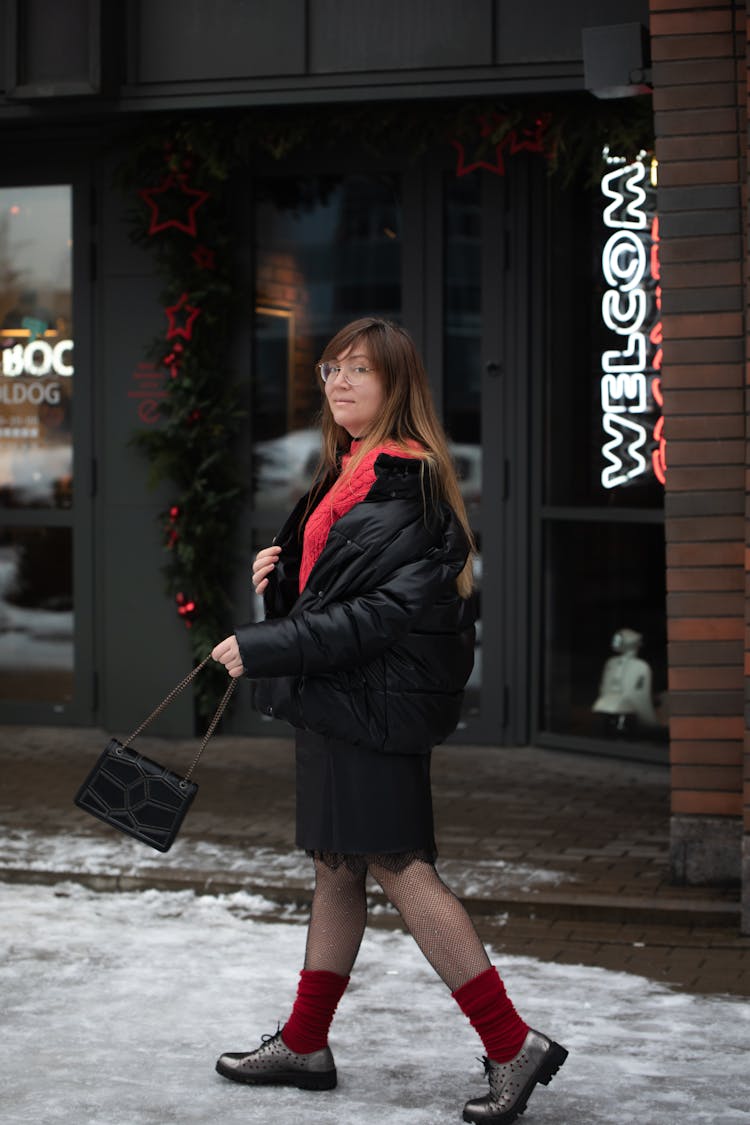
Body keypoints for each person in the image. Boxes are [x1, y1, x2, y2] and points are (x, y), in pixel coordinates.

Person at [211, 317, 567, 1124]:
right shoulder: (348, 470)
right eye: (331, 368)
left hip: (372, 707)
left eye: (358, 371)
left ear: (396, 383)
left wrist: (264, 642)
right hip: (341, 704)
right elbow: (331, 598)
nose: (337, 383)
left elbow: (378, 615)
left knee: (402, 868)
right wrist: (278, 581)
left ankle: (514, 1045)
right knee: (339, 865)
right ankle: (305, 1043)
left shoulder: (406, 480)